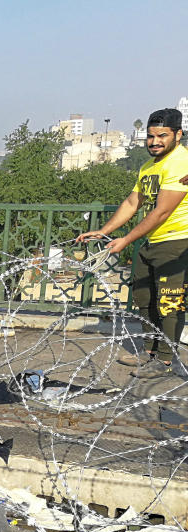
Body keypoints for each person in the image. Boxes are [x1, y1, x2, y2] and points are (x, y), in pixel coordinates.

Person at [77, 108, 188, 379]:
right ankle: (149, 351)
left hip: (177, 242)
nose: (155, 141)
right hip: (152, 242)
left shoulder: (181, 163)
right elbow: (132, 203)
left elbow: (162, 211)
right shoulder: (148, 167)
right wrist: (103, 231)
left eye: (162, 135)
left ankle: (164, 361)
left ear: (178, 135)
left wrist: (125, 239)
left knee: (170, 305)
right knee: (145, 299)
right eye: (150, 136)